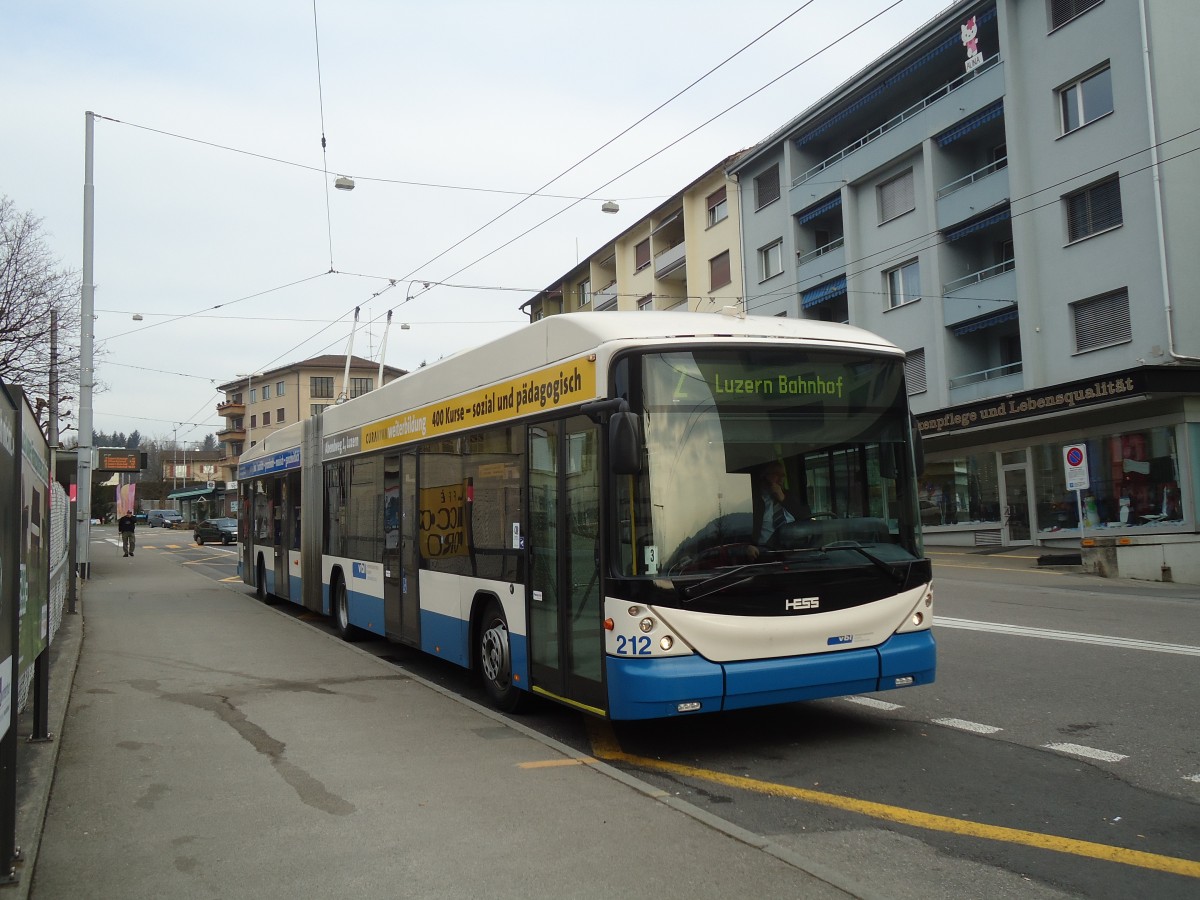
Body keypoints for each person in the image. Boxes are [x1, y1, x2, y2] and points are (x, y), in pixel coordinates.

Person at [752, 460, 810, 549]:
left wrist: (783, 499)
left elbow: (806, 516)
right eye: (776, 474)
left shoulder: (790, 497)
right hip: (765, 551)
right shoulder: (755, 500)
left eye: (782, 476)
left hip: (792, 550)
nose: (780, 479)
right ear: (764, 476)